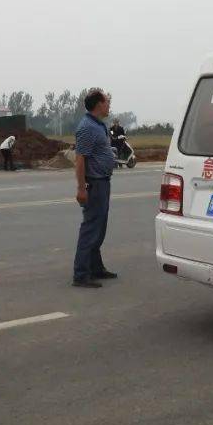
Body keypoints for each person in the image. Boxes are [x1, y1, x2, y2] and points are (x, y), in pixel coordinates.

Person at [72, 88, 117, 288]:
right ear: (99, 104)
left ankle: (95, 268)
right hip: (95, 184)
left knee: (99, 229)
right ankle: (81, 274)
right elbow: (80, 160)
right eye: (107, 101)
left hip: (103, 182)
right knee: (91, 229)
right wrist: (81, 189)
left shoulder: (98, 125)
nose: (109, 104)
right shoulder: (87, 128)